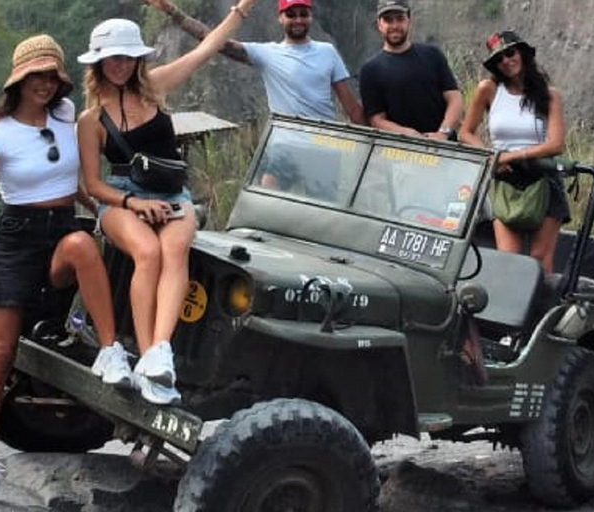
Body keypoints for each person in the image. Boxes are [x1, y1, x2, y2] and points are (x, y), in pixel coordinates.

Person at [0, 35, 129, 500]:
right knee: (0, 354)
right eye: (35, 75)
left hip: (62, 232)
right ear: (18, 80)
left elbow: (81, 180)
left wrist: (117, 210)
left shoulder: (68, 117)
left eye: (51, 75)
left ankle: (110, 351)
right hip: (16, 242)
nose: (43, 83)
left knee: (84, 244)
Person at [76, 2, 260, 406]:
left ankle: (160, 355)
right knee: (148, 251)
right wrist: (134, 203)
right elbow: (91, 184)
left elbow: (204, 51)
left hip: (172, 192)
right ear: (99, 64)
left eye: (126, 57)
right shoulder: (90, 121)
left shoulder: (155, 87)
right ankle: (145, 354)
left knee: (174, 249)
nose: (120, 65)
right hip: (122, 196)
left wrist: (240, 12)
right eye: (112, 59)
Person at [142, 0, 365, 125]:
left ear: (311, 17)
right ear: (280, 18)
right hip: (283, 146)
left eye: (302, 14)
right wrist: (173, 12)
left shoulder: (327, 52)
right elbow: (214, 40)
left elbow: (351, 106)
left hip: (325, 144)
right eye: (291, 14)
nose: (297, 20)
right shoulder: (266, 53)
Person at [459, 31, 569, 274]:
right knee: (508, 258)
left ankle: (541, 309)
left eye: (510, 53)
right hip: (505, 179)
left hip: (542, 177)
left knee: (539, 258)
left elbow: (555, 144)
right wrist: (492, 156)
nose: (506, 61)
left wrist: (512, 156)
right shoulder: (488, 89)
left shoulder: (549, 95)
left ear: (522, 54)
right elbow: (466, 132)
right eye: (499, 59)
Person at [359, 0, 463, 140]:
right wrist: (410, 135)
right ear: (379, 24)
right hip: (398, 153)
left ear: (409, 21)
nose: (395, 26)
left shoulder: (433, 55)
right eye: (388, 20)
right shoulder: (370, 70)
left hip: (445, 149)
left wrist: (443, 133)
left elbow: (454, 98)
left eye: (400, 19)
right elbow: (376, 120)